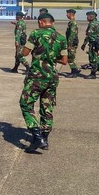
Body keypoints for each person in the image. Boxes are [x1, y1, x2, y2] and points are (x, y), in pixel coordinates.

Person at [19, 13, 68, 153]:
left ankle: (37, 135)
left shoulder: (36, 33)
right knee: (46, 107)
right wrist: (50, 58)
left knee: (25, 103)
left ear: (41, 22)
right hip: (52, 77)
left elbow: (25, 53)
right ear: (52, 23)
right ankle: (44, 140)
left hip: (37, 76)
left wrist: (39, 56)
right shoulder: (61, 37)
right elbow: (64, 61)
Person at [81, 11, 99, 79]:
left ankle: (93, 74)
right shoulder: (96, 23)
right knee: (96, 57)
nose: (87, 17)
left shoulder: (92, 24)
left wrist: (84, 44)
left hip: (93, 42)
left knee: (92, 58)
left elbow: (89, 35)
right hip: (97, 42)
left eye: (87, 16)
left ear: (91, 16)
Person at [64, 9, 80, 78]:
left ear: (71, 14)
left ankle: (74, 72)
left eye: (67, 14)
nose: (66, 15)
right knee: (71, 57)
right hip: (72, 42)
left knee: (70, 57)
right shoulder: (71, 22)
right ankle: (75, 70)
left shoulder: (73, 23)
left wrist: (69, 45)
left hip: (72, 43)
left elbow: (72, 35)